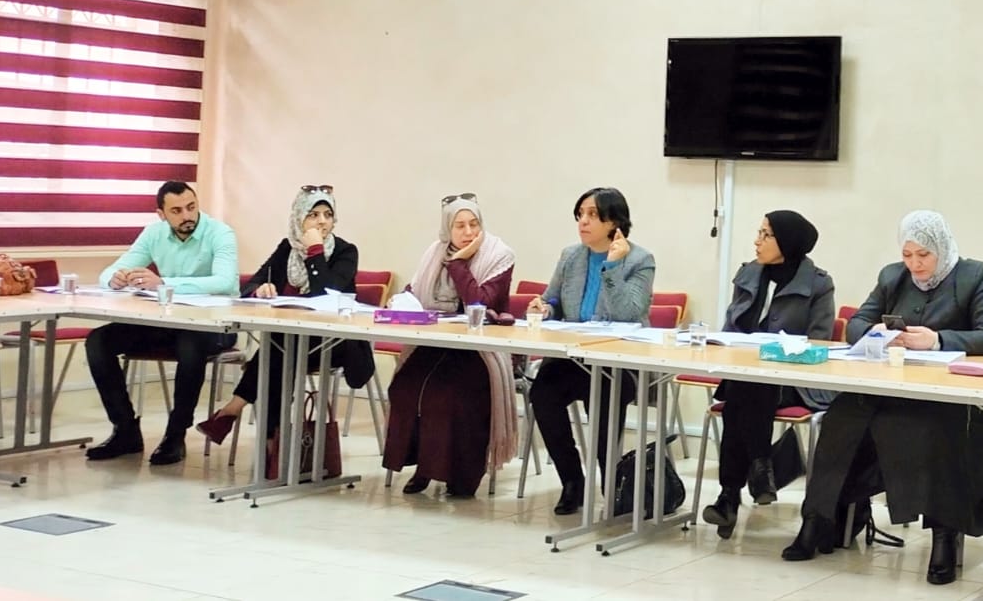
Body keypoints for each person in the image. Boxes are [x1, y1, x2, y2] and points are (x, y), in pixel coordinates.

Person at [781, 211, 983, 587]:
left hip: (946, 398)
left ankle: (944, 536)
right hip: (888, 389)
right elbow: (855, 324)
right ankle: (818, 519)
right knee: (841, 418)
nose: (915, 264)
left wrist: (937, 340)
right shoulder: (892, 276)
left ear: (941, 248)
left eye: (924, 255)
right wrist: (876, 332)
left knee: (935, 430)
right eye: (907, 254)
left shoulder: (975, 276)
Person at [195, 186, 374, 444]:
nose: (322, 222)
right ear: (298, 218)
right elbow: (251, 284)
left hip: (335, 342)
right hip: (292, 340)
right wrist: (260, 289)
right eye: (313, 215)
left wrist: (315, 252)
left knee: (277, 349)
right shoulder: (287, 248)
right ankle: (272, 442)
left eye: (328, 215)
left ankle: (241, 418)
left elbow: (325, 294)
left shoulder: (345, 252)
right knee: (280, 348)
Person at [701, 210, 835, 539]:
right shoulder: (748, 274)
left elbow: (820, 341)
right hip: (746, 376)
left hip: (793, 381)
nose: (757, 241)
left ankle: (729, 495)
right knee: (748, 389)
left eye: (766, 235)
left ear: (787, 242)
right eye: (758, 233)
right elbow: (731, 327)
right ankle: (760, 469)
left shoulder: (818, 283)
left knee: (745, 395)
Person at [86, 180, 238, 466]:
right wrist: (114, 279)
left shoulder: (220, 233)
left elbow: (224, 282)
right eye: (177, 211)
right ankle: (125, 430)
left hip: (215, 326)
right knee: (99, 340)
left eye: (191, 207)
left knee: (190, 343)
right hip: (168, 322)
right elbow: (110, 271)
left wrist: (164, 283)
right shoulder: (153, 233)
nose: (187, 216)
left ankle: (175, 434)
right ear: (161, 214)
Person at [526, 187, 655, 516]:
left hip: (617, 363)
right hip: (573, 359)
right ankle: (572, 480)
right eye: (580, 214)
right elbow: (553, 299)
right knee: (542, 394)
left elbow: (629, 313)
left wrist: (611, 267)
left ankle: (612, 484)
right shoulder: (571, 256)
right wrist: (545, 308)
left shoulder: (640, 260)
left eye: (592, 215)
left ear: (614, 222)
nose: (583, 221)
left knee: (605, 405)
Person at [381, 195, 518, 498]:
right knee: (404, 388)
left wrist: (457, 264)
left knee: (447, 395)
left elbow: (479, 303)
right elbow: (415, 290)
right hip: (435, 343)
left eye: (474, 224)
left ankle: (463, 475)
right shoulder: (435, 252)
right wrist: (402, 301)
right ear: (447, 229)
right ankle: (423, 466)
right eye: (460, 226)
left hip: (480, 350)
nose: (469, 232)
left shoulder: (499, 255)